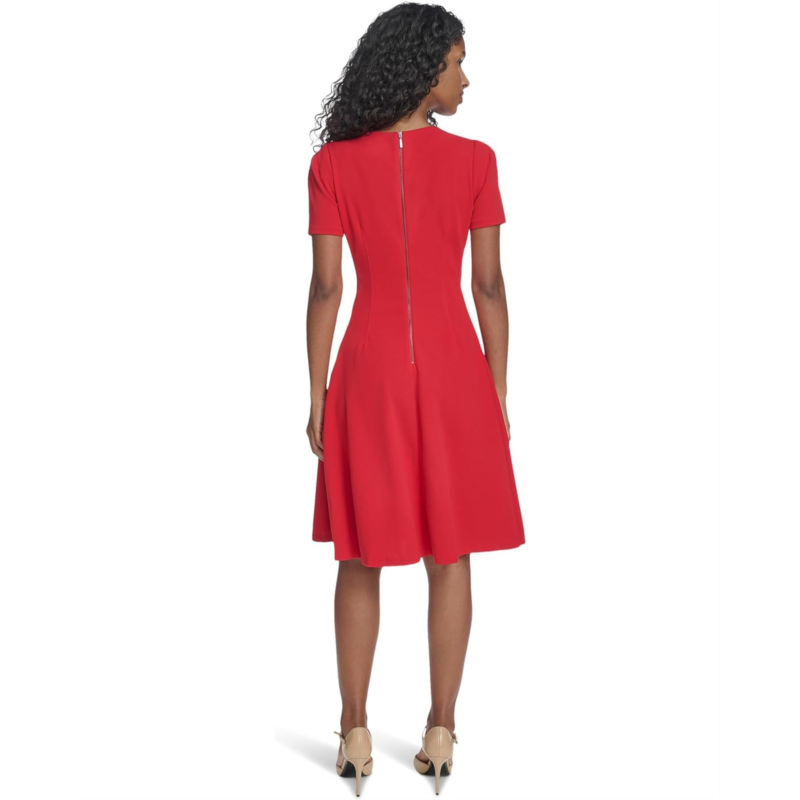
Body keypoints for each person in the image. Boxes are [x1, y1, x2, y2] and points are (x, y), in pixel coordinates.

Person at [305, 4, 525, 795]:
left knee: (360, 553)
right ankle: (440, 730)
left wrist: (316, 393)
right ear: (425, 67)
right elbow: (488, 286)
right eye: (457, 62)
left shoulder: (332, 166)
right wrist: (497, 389)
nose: (466, 78)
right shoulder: (476, 162)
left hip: (367, 372)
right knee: (450, 552)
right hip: (453, 368)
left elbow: (327, 288)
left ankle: (354, 732)